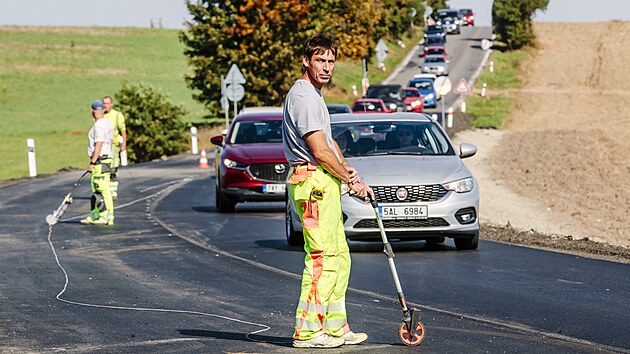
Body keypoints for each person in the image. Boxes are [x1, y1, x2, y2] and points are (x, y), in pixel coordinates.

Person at [282, 34, 374, 349]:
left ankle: (335, 328)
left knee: (340, 256)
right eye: (320, 60)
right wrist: (349, 181)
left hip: (325, 182)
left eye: (331, 61)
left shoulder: (315, 95)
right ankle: (307, 332)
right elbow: (319, 151)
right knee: (321, 258)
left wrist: (351, 175)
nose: (326, 67)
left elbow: (330, 144)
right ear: (306, 60)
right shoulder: (304, 97)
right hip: (312, 183)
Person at [81, 100, 115, 225]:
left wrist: (93, 162)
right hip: (104, 159)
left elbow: (99, 144)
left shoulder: (99, 125)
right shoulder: (108, 123)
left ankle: (106, 216)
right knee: (96, 190)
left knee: (102, 188)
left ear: (92, 110)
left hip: (100, 160)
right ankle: (95, 215)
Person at [103, 96, 127, 200]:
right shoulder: (100, 116)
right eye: (104, 103)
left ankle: (113, 191)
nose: (105, 106)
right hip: (103, 146)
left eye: (107, 103)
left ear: (111, 104)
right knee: (104, 169)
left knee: (113, 168)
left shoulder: (117, 115)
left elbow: (123, 130)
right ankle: (106, 190)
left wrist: (124, 144)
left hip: (114, 145)